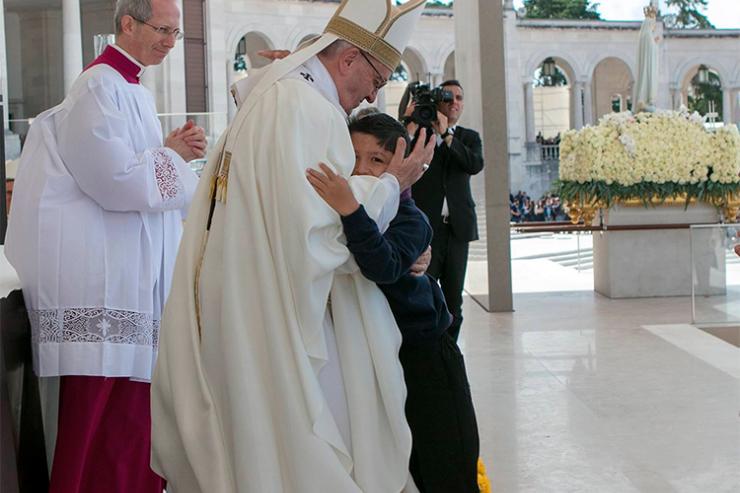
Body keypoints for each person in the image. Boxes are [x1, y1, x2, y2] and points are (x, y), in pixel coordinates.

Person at [150, 1, 434, 492]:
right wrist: (391, 183)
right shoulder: (310, 111)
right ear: (348, 60)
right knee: (305, 440)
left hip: (240, 291)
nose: (376, 93)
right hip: (273, 305)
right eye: (378, 75)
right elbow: (320, 236)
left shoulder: (279, 94)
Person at [4, 1, 203, 491]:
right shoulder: (98, 87)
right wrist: (172, 156)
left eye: (177, 34)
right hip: (102, 289)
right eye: (163, 30)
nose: (170, 43)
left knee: (132, 423)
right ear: (127, 24)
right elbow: (114, 181)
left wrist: (166, 154)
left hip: (131, 283)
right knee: (93, 425)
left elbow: (139, 170)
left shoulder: (131, 87)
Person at [307, 113, 480, 493]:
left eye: (377, 161)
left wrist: (353, 210)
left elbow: (381, 265)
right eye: (352, 158)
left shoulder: (410, 219)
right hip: (373, 361)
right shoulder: (325, 218)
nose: (362, 170)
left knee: (445, 463)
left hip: (424, 354)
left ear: (401, 168)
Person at [407, 80, 485, 341]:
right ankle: (427, 354)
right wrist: (409, 124)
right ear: (438, 101)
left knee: (454, 302)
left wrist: (447, 136)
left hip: (457, 231)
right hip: (426, 231)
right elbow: (402, 161)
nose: (454, 102)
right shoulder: (420, 137)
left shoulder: (468, 137)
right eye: (448, 97)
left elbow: (473, 164)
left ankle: (450, 353)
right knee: (422, 295)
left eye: (459, 98)